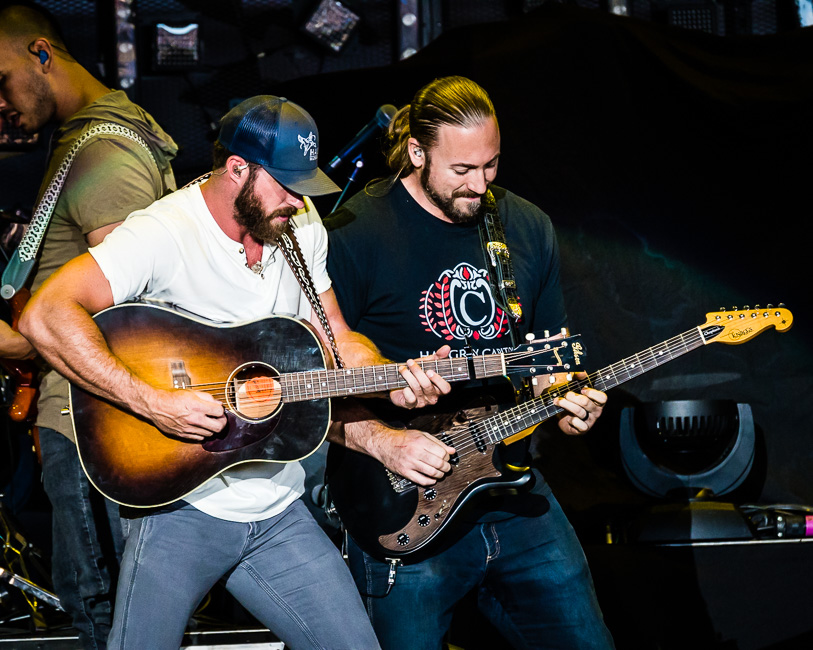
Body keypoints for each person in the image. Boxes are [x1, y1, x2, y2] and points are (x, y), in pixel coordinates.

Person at [19, 93, 451, 650]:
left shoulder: (300, 226)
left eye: (304, 187)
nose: (298, 202)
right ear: (237, 169)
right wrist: (149, 401)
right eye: (286, 186)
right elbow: (45, 314)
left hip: (277, 509)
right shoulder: (165, 232)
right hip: (181, 510)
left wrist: (394, 375)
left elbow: (338, 338)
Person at [324, 75, 615, 649]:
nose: (479, 186)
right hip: (403, 497)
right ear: (416, 153)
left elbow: (548, 362)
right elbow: (323, 388)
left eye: (491, 166)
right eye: (461, 171)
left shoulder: (526, 227)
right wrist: (385, 442)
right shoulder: (356, 232)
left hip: (511, 489)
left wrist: (566, 402)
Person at [0, 3, 177, 648]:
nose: (0, 103)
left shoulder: (104, 150)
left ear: (41, 53)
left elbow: (128, 317)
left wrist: (19, 338)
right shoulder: (82, 144)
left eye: (2, 80)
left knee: (108, 615)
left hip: (97, 426)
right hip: (80, 417)